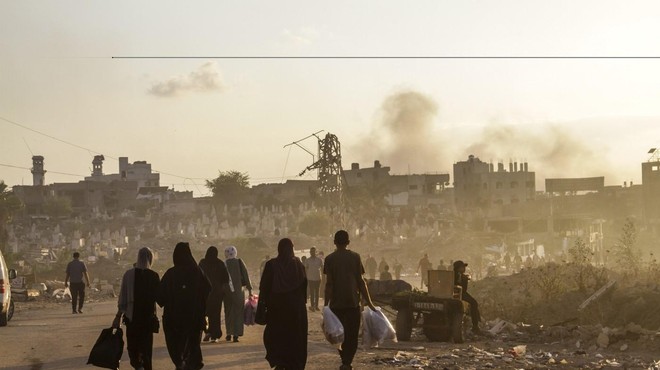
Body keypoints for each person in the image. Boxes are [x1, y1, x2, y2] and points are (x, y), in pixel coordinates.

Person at [324, 230, 376, 370]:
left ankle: (344, 360)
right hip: (352, 303)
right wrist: (369, 302)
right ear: (348, 242)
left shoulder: (329, 259)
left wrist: (325, 306)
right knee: (352, 335)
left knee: (339, 334)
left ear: (335, 242)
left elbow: (329, 284)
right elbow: (361, 282)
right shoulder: (355, 257)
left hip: (336, 304)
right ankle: (347, 362)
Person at [157, 242, 211, 370]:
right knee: (193, 349)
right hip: (194, 318)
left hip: (174, 321)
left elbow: (160, 298)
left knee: (177, 350)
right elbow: (208, 288)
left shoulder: (171, 274)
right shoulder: (197, 272)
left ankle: (180, 364)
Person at [260, 238, 308, 370]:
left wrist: (261, 308)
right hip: (296, 310)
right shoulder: (298, 265)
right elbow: (304, 288)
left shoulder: (271, 265)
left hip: (277, 310)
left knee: (277, 337)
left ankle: (280, 363)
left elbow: (264, 288)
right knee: (296, 338)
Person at [112, 247, 160, 370]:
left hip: (132, 319)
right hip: (147, 319)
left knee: (132, 346)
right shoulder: (154, 276)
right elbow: (160, 298)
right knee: (146, 349)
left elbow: (123, 299)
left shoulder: (129, 275)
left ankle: (138, 366)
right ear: (150, 258)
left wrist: (118, 317)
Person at [198, 246, 229, 343]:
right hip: (217, 294)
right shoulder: (220, 264)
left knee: (205, 313)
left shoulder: (202, 263)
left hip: (205, 294)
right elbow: (226, 279)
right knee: (216, 315)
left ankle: (207, 331)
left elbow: (198, 277)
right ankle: (215, 335)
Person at [223, 245, 252, 342]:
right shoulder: (239, 262)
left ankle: (228, 333)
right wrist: (250, 290)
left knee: (228, 313)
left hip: (227, 293)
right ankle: (236, 335)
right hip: (239, 292)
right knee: (238, 313)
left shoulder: (224, 264)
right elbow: (246, 276)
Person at [453, 260, 482, 334]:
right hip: (459, 294)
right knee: (474, 303)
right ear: (458, 268)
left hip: (454, 294)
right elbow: (463, 290)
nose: (464, 268)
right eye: (462, 267)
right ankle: (475, 326)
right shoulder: (459, 276)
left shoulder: (452, 275)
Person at [304, 247, 323, 311]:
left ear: (316, 252)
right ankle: (312, 306)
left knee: (317, 293)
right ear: (310, 252)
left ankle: (316, 306)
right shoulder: (307, 260)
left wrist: (323, 277)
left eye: (314, 251)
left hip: (317, 278)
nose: (312, 253)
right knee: (312, 293)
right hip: (310, 278)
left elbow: (322, 268)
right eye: (311, 251)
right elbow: (305, 269)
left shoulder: (319, 260)